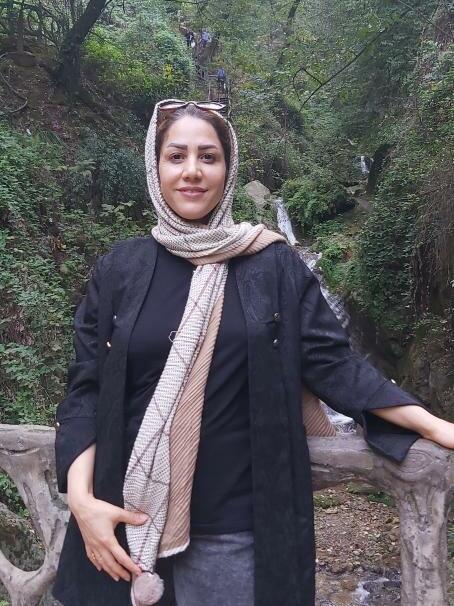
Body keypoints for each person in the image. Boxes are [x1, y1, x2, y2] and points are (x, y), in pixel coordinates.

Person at [52, 98, 454, 606]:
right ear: (155, 167)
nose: (192, 171)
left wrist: (434, 426)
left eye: (209, 157)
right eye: (176, 156)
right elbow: (86, 388)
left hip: (235, 530)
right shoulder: (120, 269)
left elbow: (334, 364)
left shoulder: (272, 264)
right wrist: (83, 503)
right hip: (121, 521)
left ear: (228, 168)